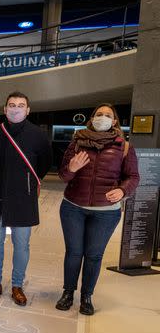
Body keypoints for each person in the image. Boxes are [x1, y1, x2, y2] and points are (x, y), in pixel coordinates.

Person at [56, 104, 139, 315]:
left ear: (114, 122)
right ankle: (68, 292)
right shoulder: (77, 143)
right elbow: (64, 175)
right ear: (91, 119)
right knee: (74, 252)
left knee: (93, 255)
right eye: (98, 114)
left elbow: (133, 177)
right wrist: (71, 169)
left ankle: (86, 296)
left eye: (107, 115)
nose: (102, 117)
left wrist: (122, 190)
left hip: (106, 213)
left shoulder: (125, 147)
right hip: (73, 207)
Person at [0, 92, 52, 306]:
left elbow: (45, 162)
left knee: (21, 245)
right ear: (5, 108)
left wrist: (28, 180)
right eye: (11, 104)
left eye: (20, 105)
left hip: (23, 198)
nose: (15, 108)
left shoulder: (37, 134)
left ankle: (17, 285)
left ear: (28, 110)